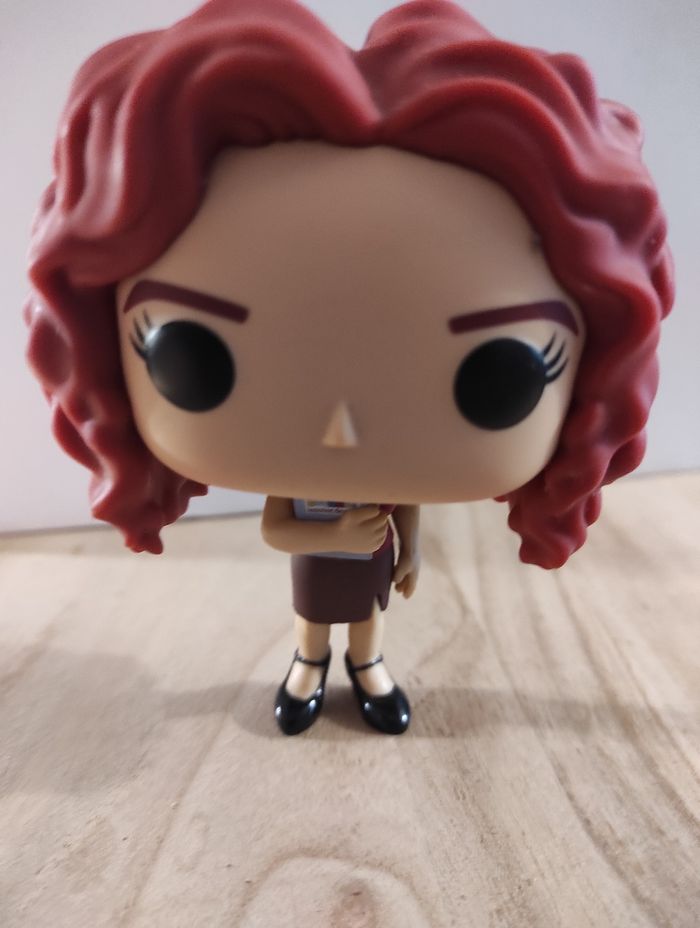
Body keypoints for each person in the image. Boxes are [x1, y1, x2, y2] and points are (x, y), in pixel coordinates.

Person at [25, 0, 673, 735]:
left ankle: (369, 670)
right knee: (313, 623)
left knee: (368, 623)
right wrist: (333, 539)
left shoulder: (379, 485)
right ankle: (307, 668)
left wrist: (410, 546)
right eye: (191, 353)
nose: (340, 431)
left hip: (372, 559)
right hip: (327, 560)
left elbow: (404, 503)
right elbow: (277, 529)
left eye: (500, 374)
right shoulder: (299, 490)